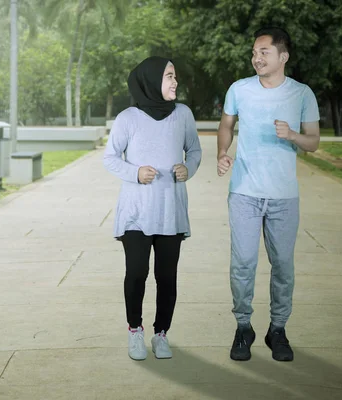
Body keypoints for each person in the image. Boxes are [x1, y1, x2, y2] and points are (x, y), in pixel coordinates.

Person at [216, 27, 320, 362]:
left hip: (283, 197)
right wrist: (223, 152)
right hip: (244, 192)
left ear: (283, 57)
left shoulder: (302, 94)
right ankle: (243, 327)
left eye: (264, 52)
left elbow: (313, 142)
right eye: (254, 52)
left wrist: (291, 134)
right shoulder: (239, 89)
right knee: (243, 263)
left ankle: (278, 329)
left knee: (283, 266)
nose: (256, 58)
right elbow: (226, 125)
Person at [103, 56, 202, 361]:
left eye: (175, 76)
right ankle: (135, 331)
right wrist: (135, 173)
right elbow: (110, 157)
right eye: (169, 76)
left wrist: (189, 168)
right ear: (151, 80)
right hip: (136, 211)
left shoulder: (183, 114)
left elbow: (194, 150)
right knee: (136, 272)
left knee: (166, 276)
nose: (175, 82)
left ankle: (161, 334)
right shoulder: (128, 118)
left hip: (170, 210)